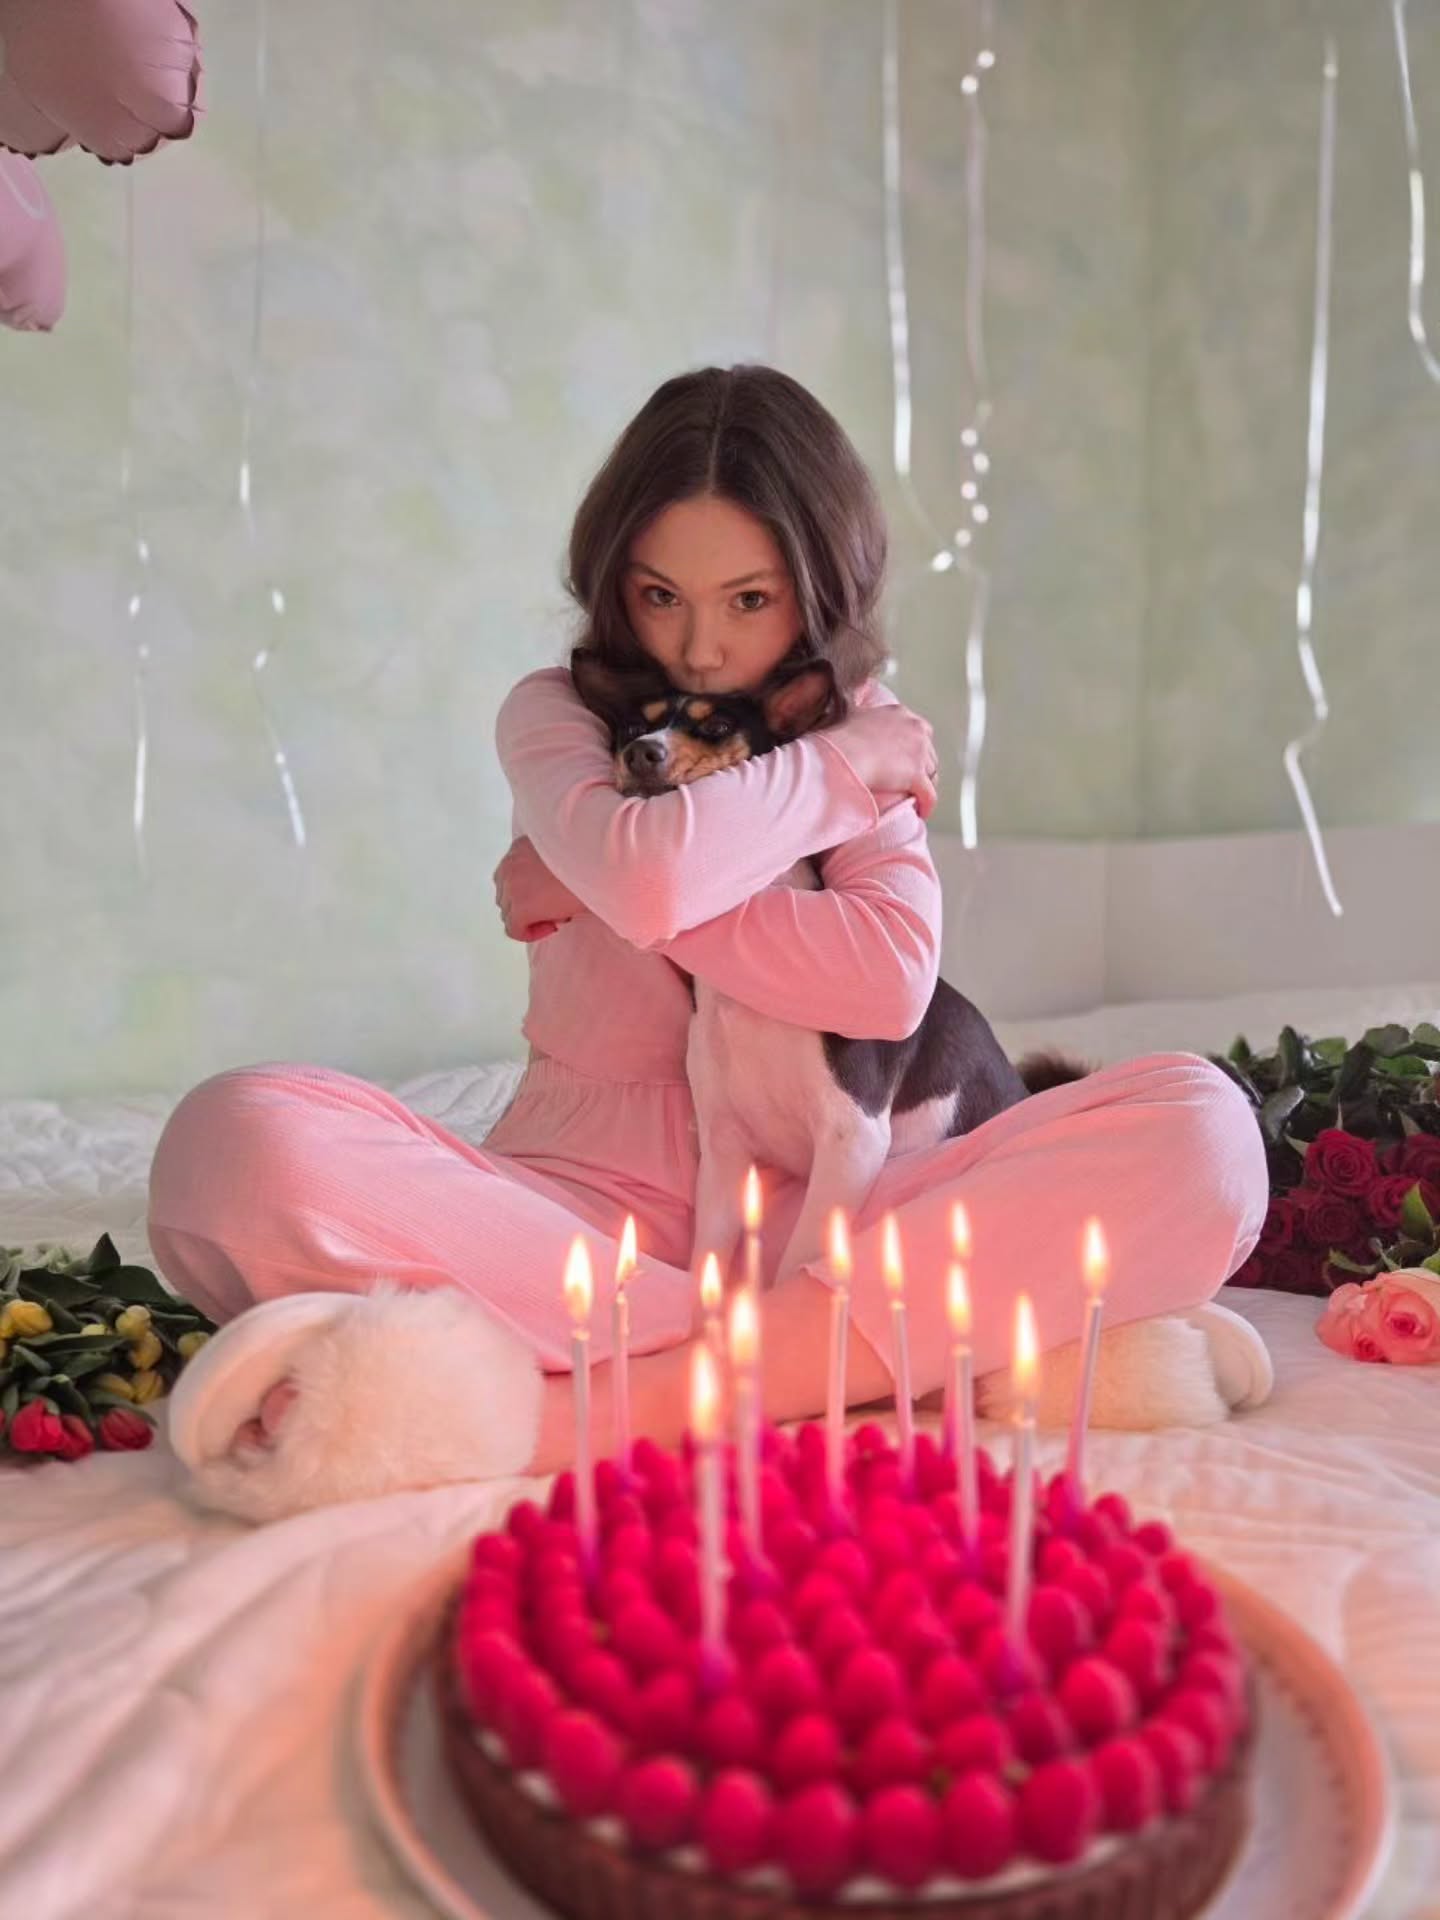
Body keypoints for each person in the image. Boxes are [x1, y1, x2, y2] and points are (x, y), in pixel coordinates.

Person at [149, 365, 1270, 1517]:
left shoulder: (866, 729)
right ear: (614, 585)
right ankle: (890, 1346)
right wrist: (815, 784)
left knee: (1209, 1133)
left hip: (848, 1213)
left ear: (820, 589)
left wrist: (595, 873)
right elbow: (654, 878)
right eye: (659, 596)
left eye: (749, 600)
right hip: (577, 1215)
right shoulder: (562, 716)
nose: (698, 649)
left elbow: (888, 984)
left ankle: (582, 1407)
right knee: (234, 1140)